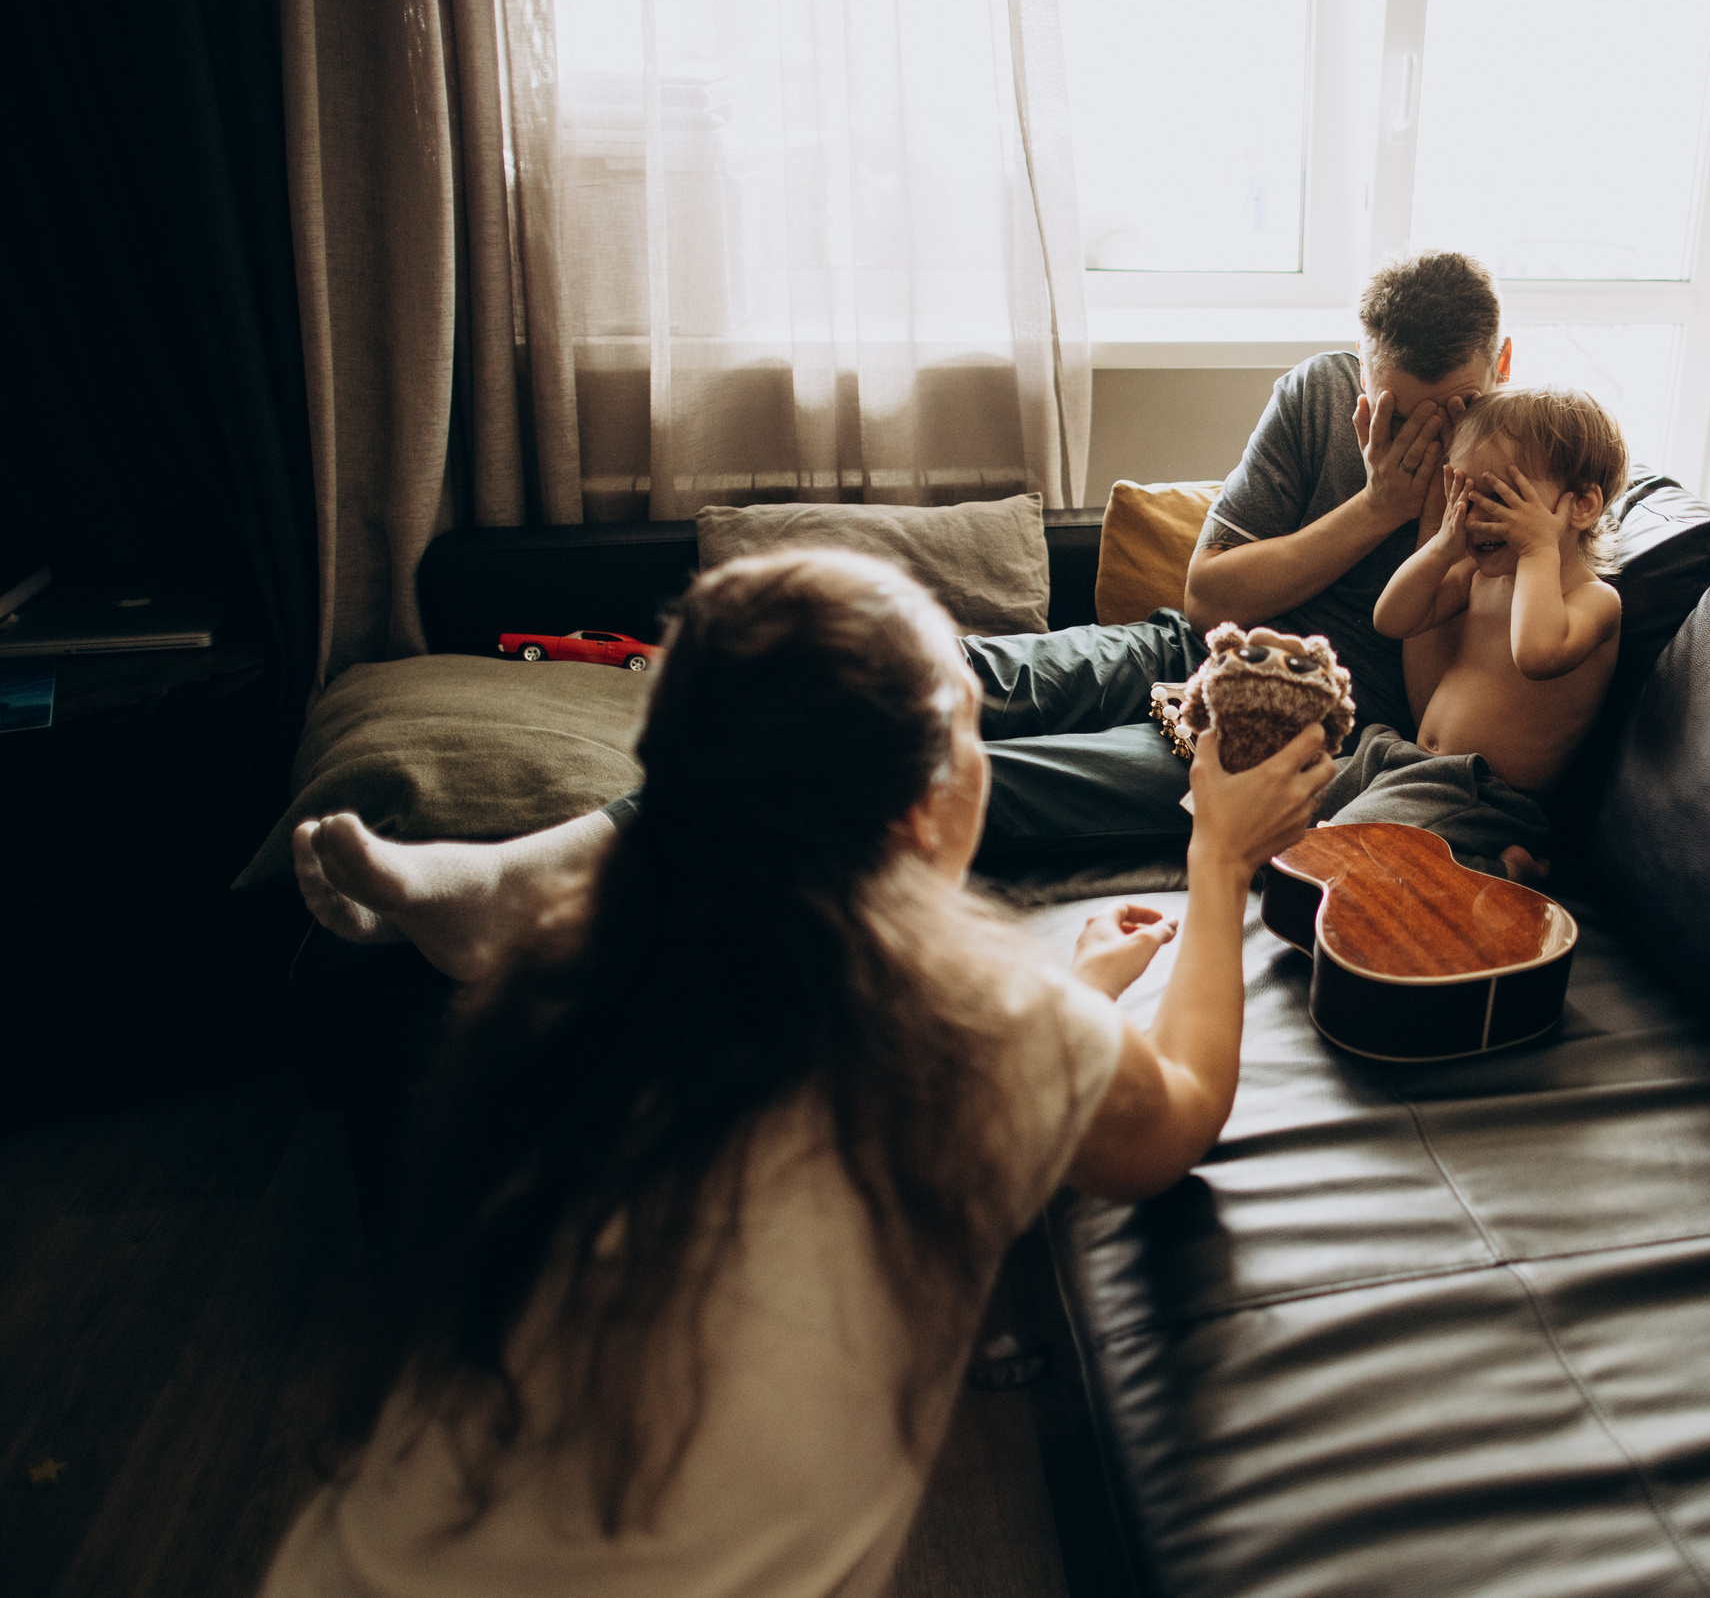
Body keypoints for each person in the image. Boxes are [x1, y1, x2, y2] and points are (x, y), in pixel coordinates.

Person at [259, 547, 1335, 1598]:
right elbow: (1177, 1118)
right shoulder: (994, 1021)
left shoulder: (581, 984)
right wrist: (1219, 861)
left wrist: (1084, 988)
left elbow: (951, 1093)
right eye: (971, 732)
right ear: (928, 805)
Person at [295, 250, 1513, 982]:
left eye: (1438, 407)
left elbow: (1441, 694)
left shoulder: (1518, 468)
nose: (1406, 433)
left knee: (932, 779)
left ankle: (527, 890)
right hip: (1174, 651)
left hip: (1266, 744)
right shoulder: (1316, 400)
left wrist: (1433, 521)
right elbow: (1204, 595)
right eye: (1386, 403)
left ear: (1496, 370)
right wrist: (1368, 507)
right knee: (897, 677)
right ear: (1360, 374)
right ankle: (534, 866)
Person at [1333, 385, 1630, 881]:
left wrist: (1538, 550)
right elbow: (1393, 618)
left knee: (1346, 854)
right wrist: (1444, 546)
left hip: (1480, 793)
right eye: (1465, 495)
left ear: (1580, 506)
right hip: (1400, 759)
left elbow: (1535, 653)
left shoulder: (1595, 601)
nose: (1475, 514)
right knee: (1271, 812)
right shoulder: (1478, 574)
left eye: (1500, 496)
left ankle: (1499, 870)